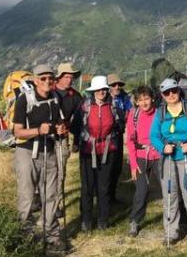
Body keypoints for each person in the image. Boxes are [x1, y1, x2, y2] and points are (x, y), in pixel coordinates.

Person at [12, 64, 66, 250]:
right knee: (27, 197)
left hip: (49, 151)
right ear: (35, 81)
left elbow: (59, 124)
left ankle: (52, 235)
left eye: (50, 78)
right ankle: (25, 237)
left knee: (51, 196)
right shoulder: (23, 100)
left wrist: (61, 129)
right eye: (43, 78)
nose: (47, 81)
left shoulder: (56, 98)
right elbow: (17, 131)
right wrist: (38, 130)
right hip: (27, 153)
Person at [150, 78, 187, 247]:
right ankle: (171, 232)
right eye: (167, 92)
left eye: (173, 91)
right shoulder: (160, 113)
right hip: (168, 158)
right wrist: (162, 147)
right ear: (162, 95)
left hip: (186, 157)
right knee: (170, 196)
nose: (171, 95)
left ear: (178, 91)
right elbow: (154, 135)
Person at [79, 75, 120, 231]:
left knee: (104, 187)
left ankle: (103, 219)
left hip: (107, 151)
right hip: (88, 151)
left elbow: (119, 125)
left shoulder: (113, 105)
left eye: (104, 89)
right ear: (93, 91)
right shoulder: (86, 106)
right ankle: (87, 219)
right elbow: (78, 126)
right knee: (87, 187)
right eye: (99, 89)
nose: (102, 92)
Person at [125, 85, 161, 237]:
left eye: (146, 98)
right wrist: (133, 164)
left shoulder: (160, 113)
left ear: (152, 98)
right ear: (137, 102)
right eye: (141, 100)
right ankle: (135, 221)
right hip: (140, 156)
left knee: (168, 187)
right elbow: (130, 141)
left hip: (159, 155)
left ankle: (178, 220)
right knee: (142, 190)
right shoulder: (134, 115)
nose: (144, 103)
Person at [53, 62, 83, 220]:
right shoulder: (48, 92)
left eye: (71, 77)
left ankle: (57, 204)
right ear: (59, 77)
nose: (69, 80)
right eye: (66, 76)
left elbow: (78, 120)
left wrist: (77, 138)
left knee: (60, 171)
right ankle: (41, 196)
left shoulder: (75, 97)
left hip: (62, 138)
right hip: (45, 137)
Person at [107, 73, 131, 204]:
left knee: (117, 166)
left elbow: (130, 112)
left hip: (118, 136)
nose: (117, 87)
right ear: (108, 86)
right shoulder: (103, 97)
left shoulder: (124, 97)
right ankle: (104, 196)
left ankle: (112, 195)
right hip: (106, 138)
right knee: (107, 167)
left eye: (119, 85)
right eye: (113, 85)